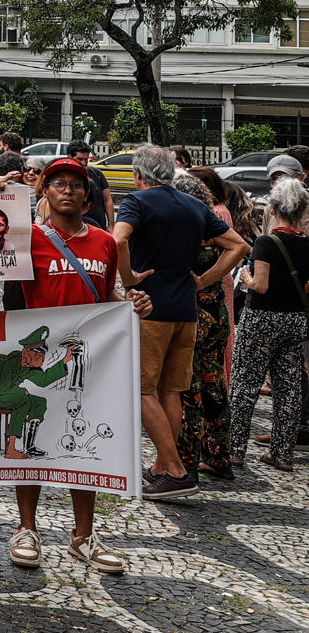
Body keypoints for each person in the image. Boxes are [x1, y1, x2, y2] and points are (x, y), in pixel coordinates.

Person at [0, 156, 126, 575]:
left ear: (88, 195)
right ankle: (26, 528)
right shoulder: (27, 237)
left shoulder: (105, 243)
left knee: (83, 446)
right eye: (58, 183)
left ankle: (82, 536)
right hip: (37, 361)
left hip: (88, 361)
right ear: (45, 193)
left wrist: (131, 306)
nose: (67, 189)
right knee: (32, 441)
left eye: (75, 183)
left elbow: (107, 300)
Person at [113, 144, 248, 500]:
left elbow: (118, 239)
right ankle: (162, 467)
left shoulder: (136, 202)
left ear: (137, 174)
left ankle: (174, 469)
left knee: (141, 390)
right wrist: (204, 280)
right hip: (185, 309)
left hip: (150, 307)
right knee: (171, 390)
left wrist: (129, 278)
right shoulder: (194, 205)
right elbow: (239, 246)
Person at [226, 177, 309, 474]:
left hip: (262, 318)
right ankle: (283, 453)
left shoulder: (266, 243)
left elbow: (260, 285)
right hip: (295, 320)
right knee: (288, 387)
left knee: (245, 384)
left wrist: (245, 278)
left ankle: (234, 450)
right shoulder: (307, 244)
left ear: (273, 208)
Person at [172, 170, 235, 480]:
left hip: (194, 317)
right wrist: (210, 281)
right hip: (216, 314)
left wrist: (198, 282)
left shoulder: (187, 225)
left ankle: (185, 463)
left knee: (189, 389)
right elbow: (240, 248)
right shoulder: (213, 221)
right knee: (214, 387)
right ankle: (220, 456)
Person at [66, 141, 113, 226]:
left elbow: (107, 200)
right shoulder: (62, 177)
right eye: (79, 159)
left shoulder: (97, 174)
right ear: (70, 157)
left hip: (98, 227)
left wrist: (111, 224)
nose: (84, 163)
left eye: (86, 159)